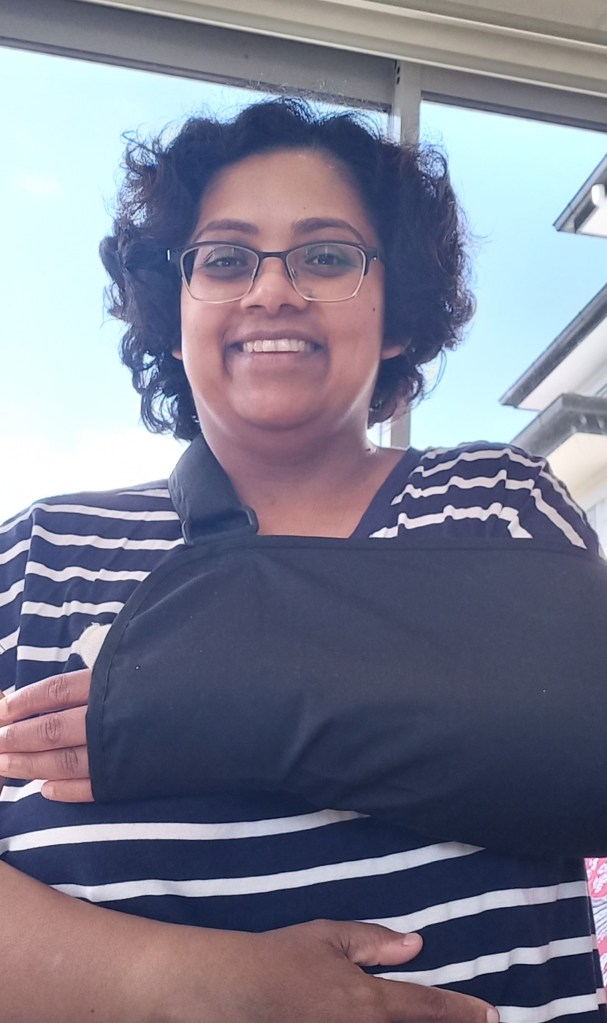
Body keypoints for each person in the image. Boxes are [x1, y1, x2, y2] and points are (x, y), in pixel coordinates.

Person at [0, 98, 604, 1023]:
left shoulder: (494, 502)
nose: (272, 291)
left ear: (396, 316)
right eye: (225, 259)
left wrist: (254, 688)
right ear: (174, 315)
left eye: (325, 256)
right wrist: (198, 986)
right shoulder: (42, 553)